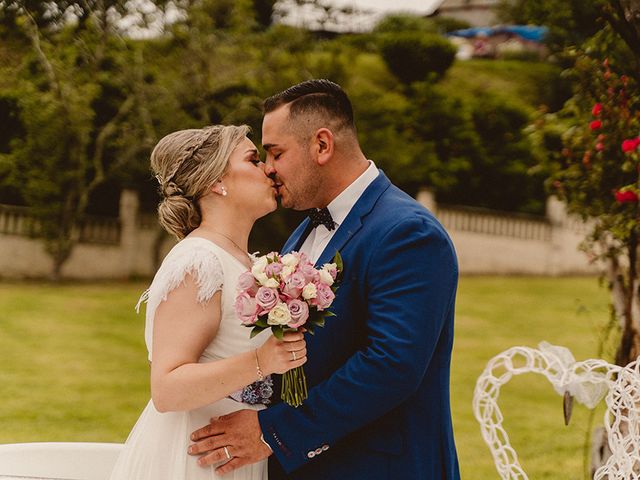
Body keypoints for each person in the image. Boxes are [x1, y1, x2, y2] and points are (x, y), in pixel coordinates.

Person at [188, 80, 461, 479]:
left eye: (276, 152)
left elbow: (391, 365)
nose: (268, 168)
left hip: (380, 466)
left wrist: (273, 433)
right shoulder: (303, 231)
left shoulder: (408, 233)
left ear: (322, 145)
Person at [108, 125, 307, 480]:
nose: (268, 169)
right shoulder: (200, 261)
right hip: (191, 457)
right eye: (253, 159)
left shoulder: (244, 262)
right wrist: (262, 360)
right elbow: (166, 389)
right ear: (216, 182)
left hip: (233, 455)